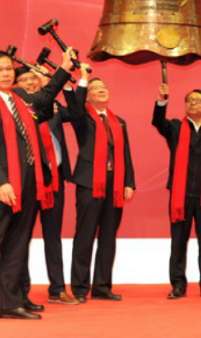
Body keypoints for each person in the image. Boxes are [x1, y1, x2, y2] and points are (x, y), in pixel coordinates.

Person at [0, 48, 73, 323]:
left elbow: (47, 96)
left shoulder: (22, 98)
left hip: (28, 185)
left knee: (17, 246)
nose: (5, 74)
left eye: (9, 69)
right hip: (1, 188)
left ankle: (11, 304)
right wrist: (1, 182)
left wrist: (64, 67)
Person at [13, 66, 80, 307]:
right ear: (15, 85)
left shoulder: (52, 106)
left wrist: (65, 85)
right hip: (29, 181)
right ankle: (21, 292)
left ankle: (58, 289)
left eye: (33, 78)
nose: (30, 82)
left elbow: (76, 112)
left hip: (54, 180)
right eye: (23, 79)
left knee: (53, 236)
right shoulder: (15, 109)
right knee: (22, 237)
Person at [152, 84, 201, 300]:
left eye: (198, 101)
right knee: (178, 242)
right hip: (180, 196)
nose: (193, 103)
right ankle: (178, 284)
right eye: (190, 100)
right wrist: (162, 101)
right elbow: (158, 122)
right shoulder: (175, 127)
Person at [69, 66, 135, 303]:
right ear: (87, 96)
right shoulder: (82, 117)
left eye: (103, 87)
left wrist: (129, 182)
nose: (101, 90)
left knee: (108, 237)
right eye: (95, 88)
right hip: (89, 182)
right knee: (85, 236)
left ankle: (102, 286)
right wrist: (84, 80)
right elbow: (75, 106)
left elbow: (125, 154)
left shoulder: (119, 122)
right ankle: (79, 287)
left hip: (114, 184)